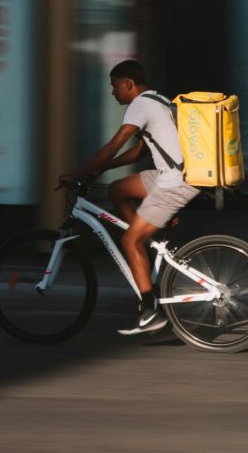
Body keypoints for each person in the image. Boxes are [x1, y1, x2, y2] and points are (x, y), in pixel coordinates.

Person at [59, 59, 199, 335]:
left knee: (129, 239)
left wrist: (77, 174)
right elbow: (137, 153)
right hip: (169, 175)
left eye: (114, 86)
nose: (112, 92)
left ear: (128, 84)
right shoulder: (157, 100)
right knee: (118, 190)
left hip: (175, 183)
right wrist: (99, 170)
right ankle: (144, 250)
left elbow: (114, 145)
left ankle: (149, 310)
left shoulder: (140, 105)